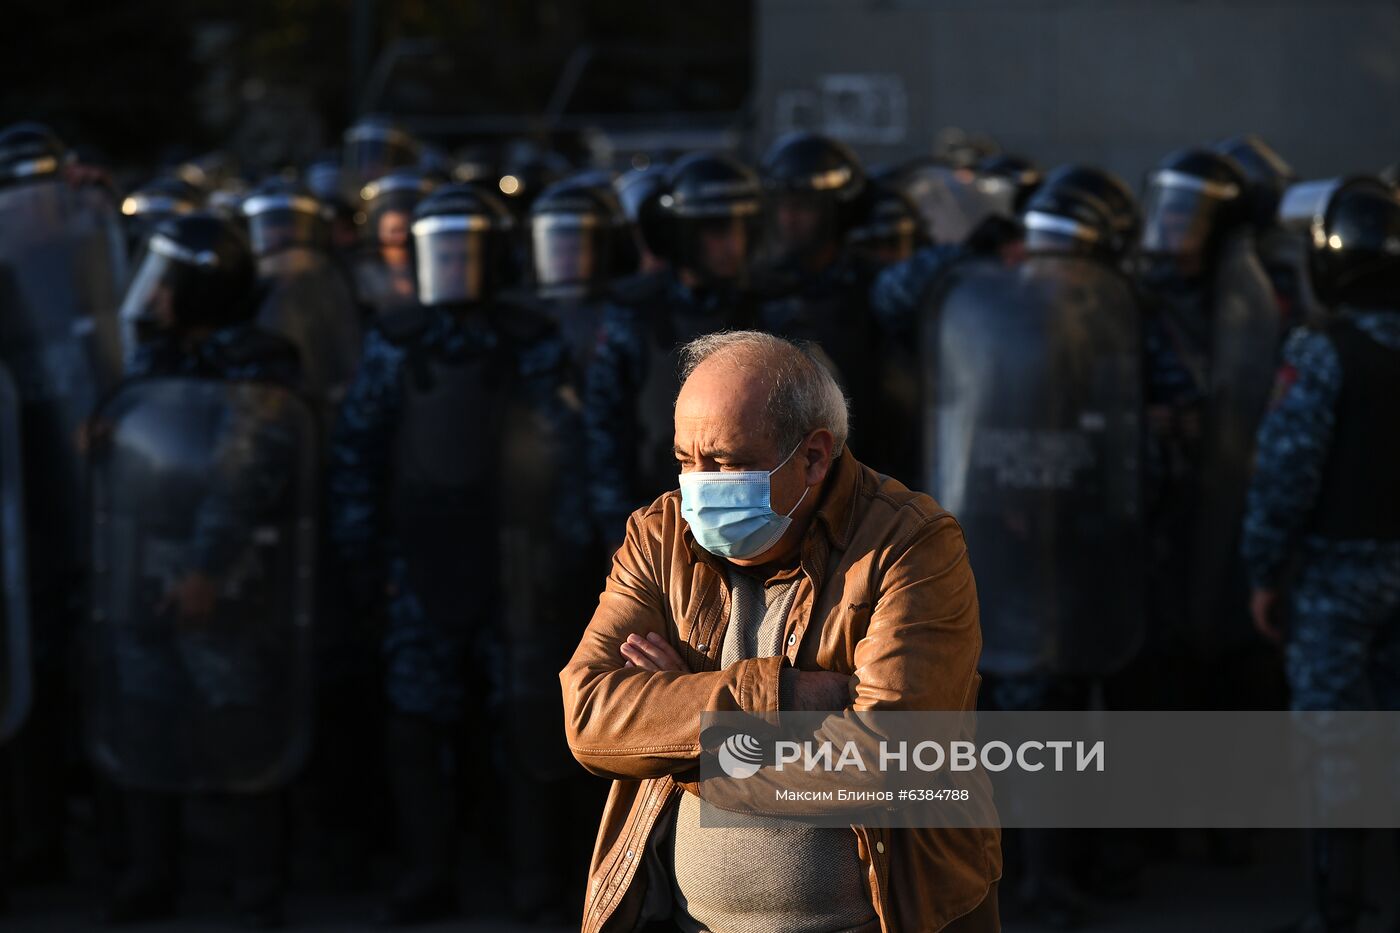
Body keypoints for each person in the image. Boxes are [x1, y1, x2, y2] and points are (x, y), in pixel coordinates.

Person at [561, 330, 1002, 933]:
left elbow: (894, 754)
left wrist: (677, 733)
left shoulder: (910, 544)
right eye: (685, 461)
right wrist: (785, 697)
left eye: (723, 463)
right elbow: (590, 718)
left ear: (814, 457)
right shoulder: (659, 536)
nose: (697, 488)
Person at [329, 182, 577, 924]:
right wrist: (364, 554)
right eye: (442, 249)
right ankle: (427, 869)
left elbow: (566, 450)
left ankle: (532, 871)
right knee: (416, 718)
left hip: (516, 558)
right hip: (420, 553)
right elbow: (358, 451)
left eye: (468, 249)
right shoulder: (396, 342)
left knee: (526, 715)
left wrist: (564, 547)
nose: (454, 267)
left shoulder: (533, 340)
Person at [94, 212, 304, 927]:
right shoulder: (156, 358)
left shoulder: (260, 363)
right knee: (144, 714)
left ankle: (255, 886)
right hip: (147, 568)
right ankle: (151, 874)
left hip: (231, 576)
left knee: (238, 718)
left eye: (165, 281)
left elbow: (244, 472)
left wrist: (208, 566)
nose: (151, 297)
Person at [1243, 177, 1400, 933]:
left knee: (1337, 746)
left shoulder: (1323, 347)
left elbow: (1286, 471)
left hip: (1337, 578)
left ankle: (1336, 908)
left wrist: (1263, 571)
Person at [585, 151, 764, 548]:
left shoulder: (773, 308)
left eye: (739, 229)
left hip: (760, 523)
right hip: (659, 524)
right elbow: (605, 426)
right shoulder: (635, 314)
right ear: (683, 235)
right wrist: (621, 531)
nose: (731, 245)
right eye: (716, 231)